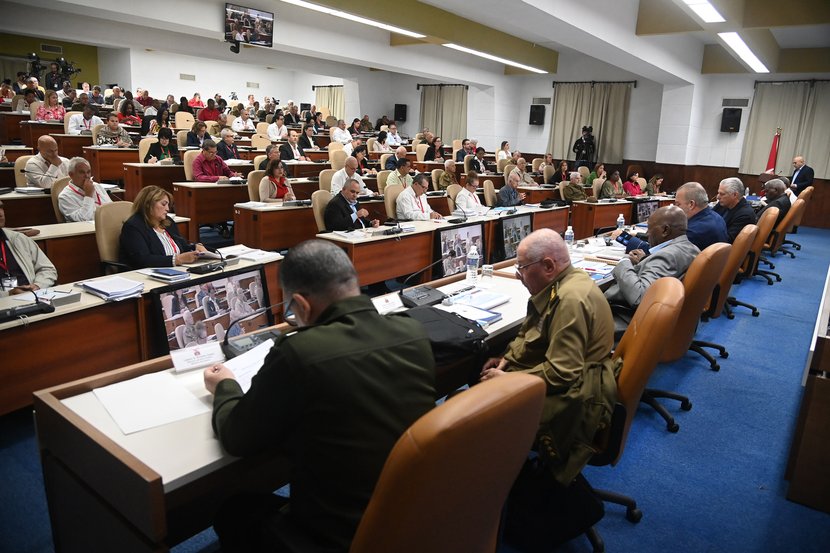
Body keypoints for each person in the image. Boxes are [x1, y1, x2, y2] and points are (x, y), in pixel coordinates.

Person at [204, 239, 434, 553]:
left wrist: (225, 387)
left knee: (235, 511)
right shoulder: (414, 332)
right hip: (411, 513)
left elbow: (236, 437)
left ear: (301, 304)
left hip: (340, 535)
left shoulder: (300, 351)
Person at [480, 228, 615, 485]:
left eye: (522, 268)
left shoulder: (569, 300)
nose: (519, 276)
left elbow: (562, 372)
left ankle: (493, 485)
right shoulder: (563, 285)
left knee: (470, 413)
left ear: (548, 266)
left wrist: (507, 380)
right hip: (577, 377)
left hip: (577, 395)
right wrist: (508, 358)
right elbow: (533, 331)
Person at [604, 206, 699, 308]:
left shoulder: (666, 256)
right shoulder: (693, 249)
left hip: (622, 314)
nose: (647, 234)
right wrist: (644, 260)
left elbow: (639, 297)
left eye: (649, 229)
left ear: (665, 230)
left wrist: (624, 264)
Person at [618, 182, 727, 253]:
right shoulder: (716, 217)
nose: (675, 208)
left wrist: (624, 238)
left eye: (678, 204)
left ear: (691, 204)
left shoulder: (694, 231)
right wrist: (638, 235)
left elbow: (659, 252)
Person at [119, 186, 208, 268]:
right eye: (163, 204)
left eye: (168, 205)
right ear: (148, 204)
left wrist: (195, 248)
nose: (167, 209)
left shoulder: (168, 222)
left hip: (177, 271)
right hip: (148, 276)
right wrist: (178, 259)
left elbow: (182, 246)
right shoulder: (133, 227)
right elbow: (142, 260)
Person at [0, 200, 57, 297]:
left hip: (33, 295)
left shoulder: (18, 239)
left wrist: (37, 285)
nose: (0, 213)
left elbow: (47, 269)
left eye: (1, 207)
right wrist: (8, 294)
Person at [58, 157, 113, 222]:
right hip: (88, 230)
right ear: (71, 175)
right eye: (82, 172)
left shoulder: (97, 186)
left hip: (109, 224)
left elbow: (112, 208)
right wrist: (88, 196)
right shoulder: (65, 196)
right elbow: (82, 220)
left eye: (88, 172)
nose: (87, 176)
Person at [713, 177, 757, 242]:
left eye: (722, 194)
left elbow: (728, 240)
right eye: (718, 193)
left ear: (735, 195)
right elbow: (708, 217)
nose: (718, 197)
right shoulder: (723, 204)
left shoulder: (745, 215)